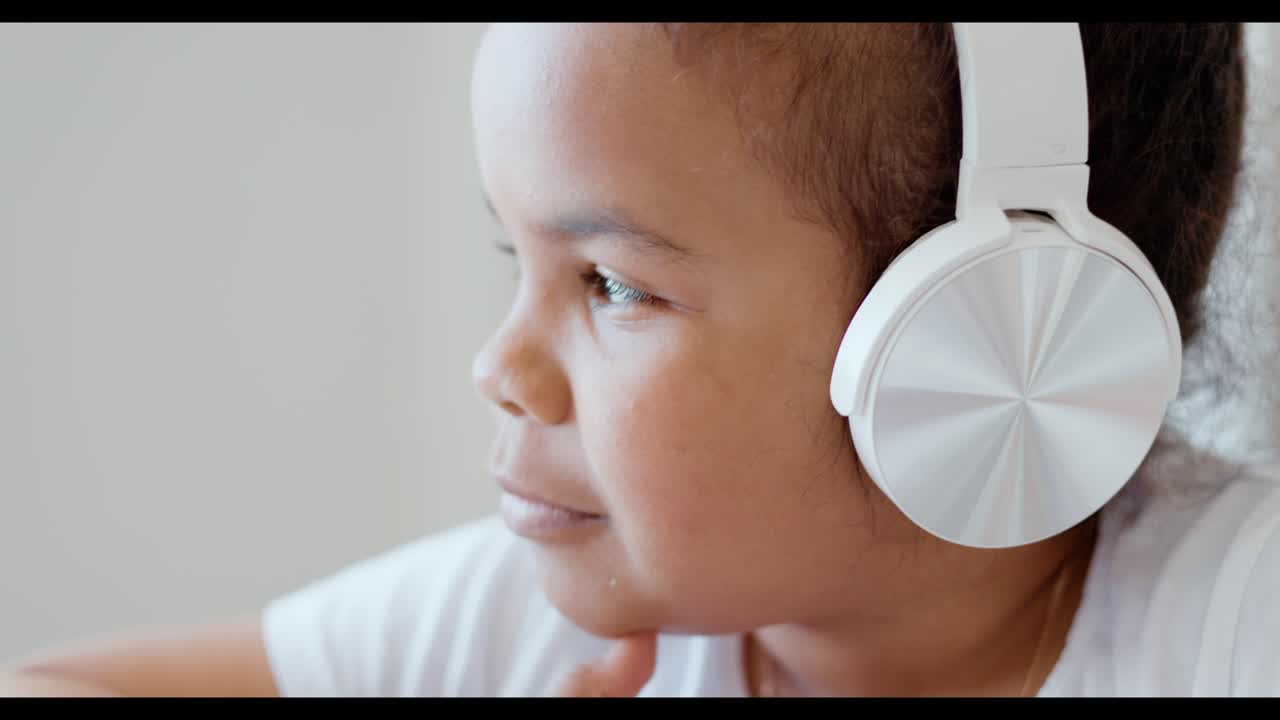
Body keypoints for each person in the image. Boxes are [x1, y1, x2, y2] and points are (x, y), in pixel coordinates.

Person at [3, 22, 1277, 697]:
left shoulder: (1234, 622)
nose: (498, 367)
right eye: (515, 259)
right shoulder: (511, 624)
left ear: (991, 331)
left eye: (609, 283)